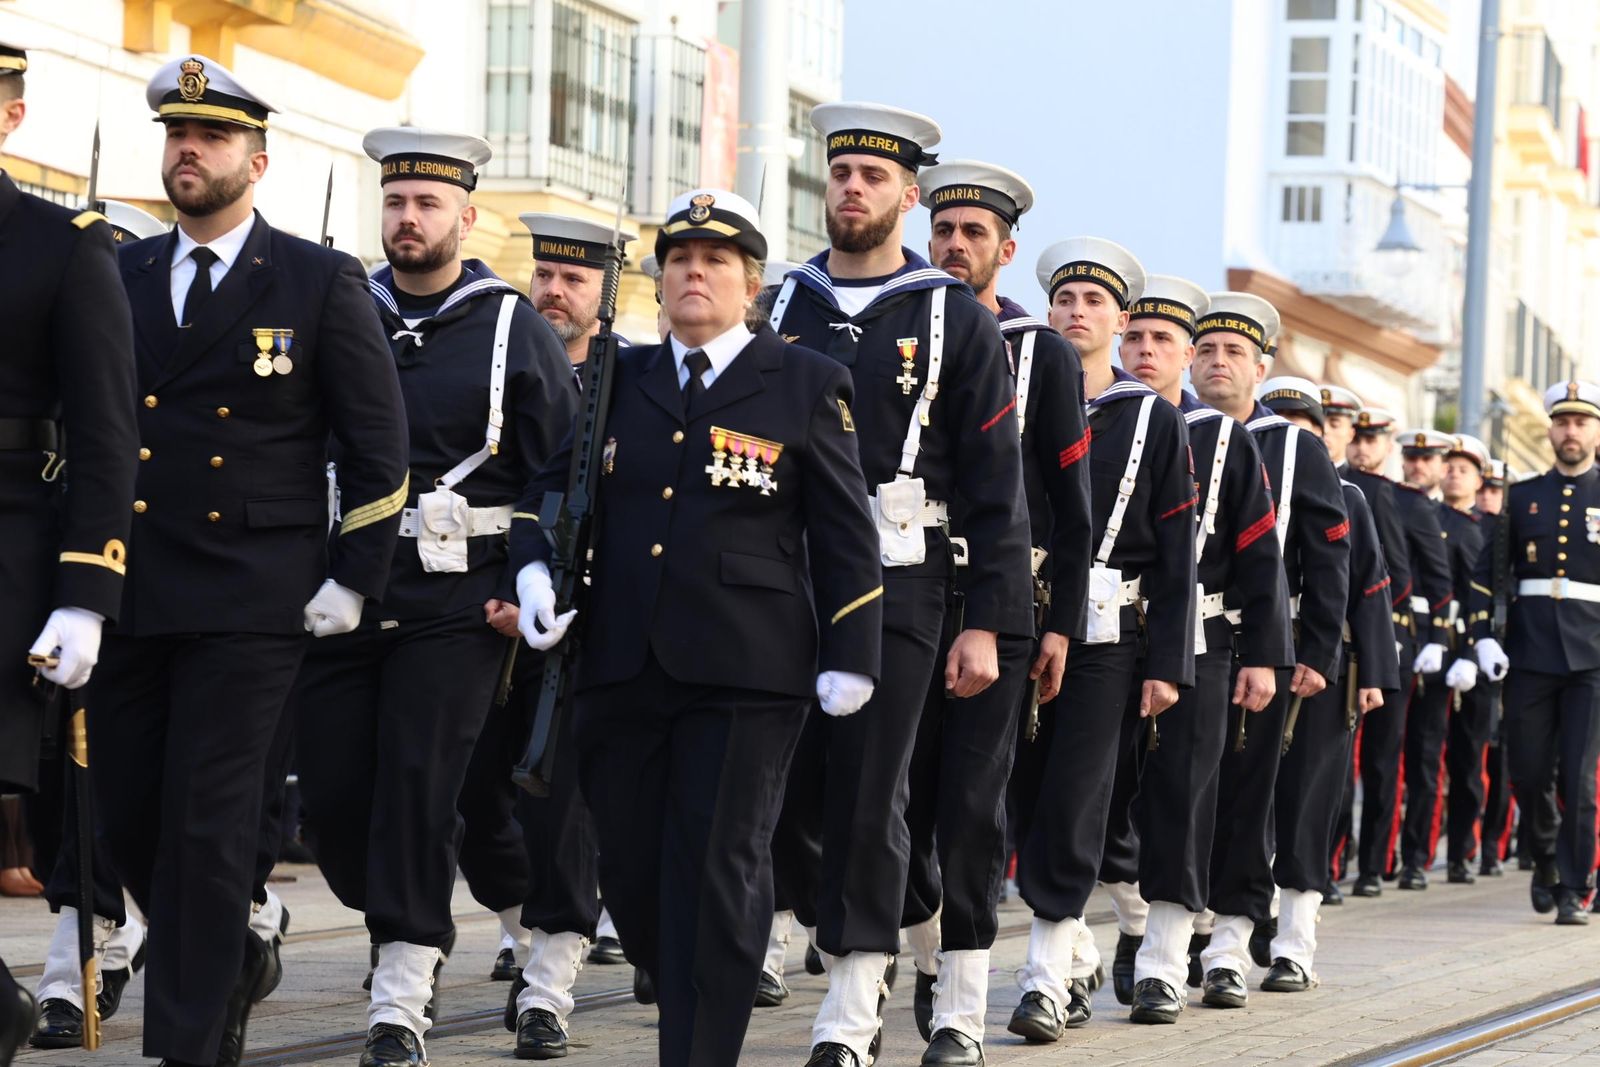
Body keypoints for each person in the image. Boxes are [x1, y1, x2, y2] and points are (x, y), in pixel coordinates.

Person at [515, 187, 884, 1066]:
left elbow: (842, 529)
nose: (694, 273)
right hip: (619, 661)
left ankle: (698, 1050)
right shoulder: (618, 378)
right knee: (635, 872)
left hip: (747, 671)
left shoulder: (803, 382)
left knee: (718, 863)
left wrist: (852, 651)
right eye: (679, 260)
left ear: (750, 283)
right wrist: (530, 567)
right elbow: (551, 494)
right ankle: (679, 985)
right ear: (657, 281)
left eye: (715, 261)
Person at [93, 56, 410, 1067]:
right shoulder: (124, 272)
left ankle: (184, 1044)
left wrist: (353, 576)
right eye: (179, 135)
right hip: (136, 583)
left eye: (213, 137)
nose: (190, 152)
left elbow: (379, 448)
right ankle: (226, 945)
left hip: (256, 599)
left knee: (207, 822)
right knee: (125, 814)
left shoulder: (318, 280)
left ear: (258, 160)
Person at [285, 127, 576, 1067]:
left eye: (428, 204)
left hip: (462, 599)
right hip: (344, 588)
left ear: (465, 215)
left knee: (421, 784)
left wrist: (524, 579)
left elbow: (558, 472)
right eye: (397, 201)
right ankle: (413, 927)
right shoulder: (343, 307)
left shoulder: (513, 326)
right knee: (333, 798)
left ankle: (401, 989)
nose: (408, 220)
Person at [761, 104, 1033, 1067]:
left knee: (875, 791)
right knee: (790, 797)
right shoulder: (784, 303)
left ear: (906, 198)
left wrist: (992, 624)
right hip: (782, 578)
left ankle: (850, 1002)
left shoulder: (951, 313)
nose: (851, 189)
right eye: (840, 173)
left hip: (904, 582)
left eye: (873, 178)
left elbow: (1000, 484)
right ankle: (908, 925)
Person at [895, 160, 1091, 1064]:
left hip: (1002, 604)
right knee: (893, 797)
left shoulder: (1040, 352)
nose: (955, 246)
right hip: (901, 592)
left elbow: (1068, 497)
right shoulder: (897, 326)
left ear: (1004, 251)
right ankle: (927, 946)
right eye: (943, 230)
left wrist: (1056, 624)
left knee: (971, 804)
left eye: (974, 234)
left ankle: (962, 1005)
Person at [1009, 239, 1196, 1043]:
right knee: (1019, 795)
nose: (1076, 311)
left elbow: (1177, 548)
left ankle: (1044, 977)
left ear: (1120, 321)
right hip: (1019, 613)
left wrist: (1167, 664)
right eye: (1065, 298)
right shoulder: (1016, 389)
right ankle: (1081, 947)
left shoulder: (1152, 416)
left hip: (1109, 631)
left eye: (1094, 301)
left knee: (1078, 797)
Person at [0, 40, 140, 1065]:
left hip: (10, 539)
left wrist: (87, 590)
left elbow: (104, 435)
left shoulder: (61, 247)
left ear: (10, 117)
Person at [1117, 279, 1292, 1024]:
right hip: (1104, 632)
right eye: (1138, 339)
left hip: (1203, 640)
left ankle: (1162, 956)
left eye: (1165, 341)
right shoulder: (1099, 416)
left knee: (1185, 799)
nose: (1147, 352)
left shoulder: (1221, 437)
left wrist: (1265, 651)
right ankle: (1116, 930)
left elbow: (1262, 557)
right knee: (1089, 804)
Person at [1189, 295, 1350, 1008]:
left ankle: (1228, 942)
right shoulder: (1171, 430)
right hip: (1181, 641)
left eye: (1232, 353)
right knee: (1177, 797)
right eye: (1207, 350)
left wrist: (1314, 650)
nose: (1217, 362)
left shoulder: (1295, 445)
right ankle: (1159, 928)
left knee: (1249, 800)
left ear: (1260, 367)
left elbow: (1329, 556)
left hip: (1265, 647)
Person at [497, 212, 633, 1056]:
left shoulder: (631, 380)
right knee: (485, 799)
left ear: (608, 292)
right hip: (499, 606)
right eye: (545, 273)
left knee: (570, 804)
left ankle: (551, 969)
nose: (554, 289)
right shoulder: (498, 361)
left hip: (596, 624)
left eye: (575, 278)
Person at [1257, 379, 1396, 992]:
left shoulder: (1348, 496)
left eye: (1301, 423)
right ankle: (1235, 924)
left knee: (1309, 802)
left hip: (1324, 663)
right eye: (1277, 418)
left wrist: (1374, 675)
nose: (1289, 433)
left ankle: (1295, 944)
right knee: (1244, 799)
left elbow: (1369, 587)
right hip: (1251, 653)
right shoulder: (1239, 479)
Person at [1470, 381, 1600, 925]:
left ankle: (1574, 885)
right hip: (1528, 652)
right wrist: (1482, 636)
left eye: (1581, 422)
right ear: (1550, 429)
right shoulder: (1521, 497)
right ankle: (1545, 856)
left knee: (1580, 777)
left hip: (1593, 655)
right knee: (1525, 772)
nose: (1570, 432)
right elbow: (1488, 573)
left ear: (1595, 431)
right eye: (1562, 422)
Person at [1344, 409, 1453, 895]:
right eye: (1356, 437)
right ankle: (1329, 864)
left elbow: (1431, 579)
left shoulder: (1405, 501)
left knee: (1384, 762)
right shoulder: (1332, 484)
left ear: (1386, 446)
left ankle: (1372, 866)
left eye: (1372, 439)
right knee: (1337, 762)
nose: (1362, 447)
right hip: (1336, 640)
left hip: (1392, 640)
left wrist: (1434, 640)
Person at [1394, 428, 1458, 889]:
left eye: (1427, 459)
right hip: (1395, 637)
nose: (1418, 465)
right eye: (1411, 457)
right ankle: (1378, 855)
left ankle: (1417, 855)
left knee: (1426, 757)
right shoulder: (1389, 503)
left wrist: (1449, 644)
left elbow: (1460, 594)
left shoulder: (1457, 522)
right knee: (1383, 758)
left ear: (1441, 466)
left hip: (1438, 648)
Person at [1437, 435, 1491, 884]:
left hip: (1476, 653)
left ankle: (1462, 852)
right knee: (1428, 757)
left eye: (1463, 468)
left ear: (1479, 478)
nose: (1453, 473)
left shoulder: (1491, 528)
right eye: (1449, 466)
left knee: (1470, 762)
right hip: (1437, 650)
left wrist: (1475, 653)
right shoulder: (1427, 517)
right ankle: (1419, 850)